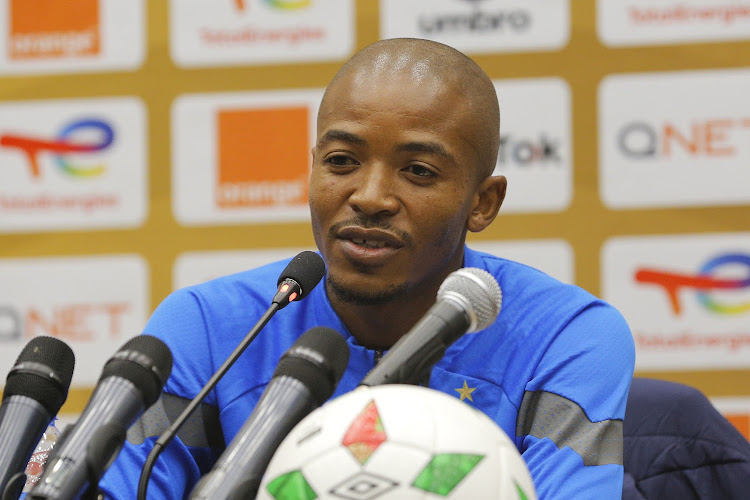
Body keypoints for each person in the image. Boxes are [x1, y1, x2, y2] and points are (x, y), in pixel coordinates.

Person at [98, 38, 635, 499]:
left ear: (483, 203)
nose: (370, 197)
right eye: (341, 162)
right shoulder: (210, 325)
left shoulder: (566, 334)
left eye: (418, 171)